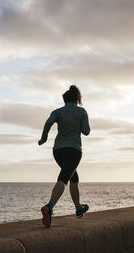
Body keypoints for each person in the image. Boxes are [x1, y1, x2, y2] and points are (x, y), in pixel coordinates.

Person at [38, 85, 90, 228]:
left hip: (58, 150)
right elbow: (86, 131)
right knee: (64, 178)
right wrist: (77, 124)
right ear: (77, 99)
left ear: (64, 99)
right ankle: (49, 207)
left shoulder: (57, 112)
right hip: (74, 150)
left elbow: (48, 122)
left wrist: (43, 139)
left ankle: (78, 208)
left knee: (74, 177)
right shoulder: (81, 111)